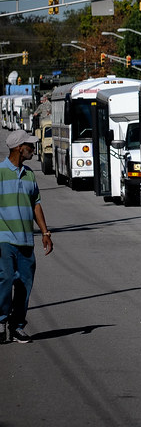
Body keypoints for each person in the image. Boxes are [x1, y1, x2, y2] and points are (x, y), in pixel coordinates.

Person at [0, 131, 52, 343]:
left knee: (24, 284)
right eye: (29, 145)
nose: (32, 148)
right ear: (18, 148)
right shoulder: (1, 172)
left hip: (26, 240)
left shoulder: (29, 174)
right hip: (3, 238)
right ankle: (1, 320)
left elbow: (36, 204)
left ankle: (17, 325)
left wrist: (45, 232)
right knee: (5, 279)